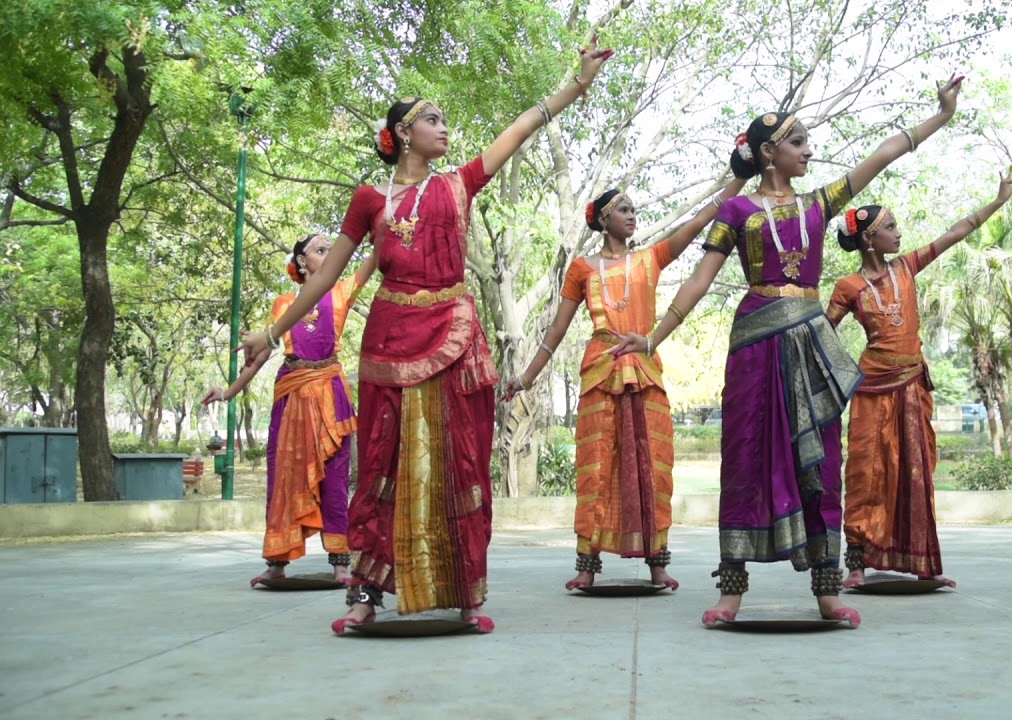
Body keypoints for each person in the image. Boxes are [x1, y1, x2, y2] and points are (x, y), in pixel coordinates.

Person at [235, 39, 614, 635]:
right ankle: (365, 595)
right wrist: (271, 332)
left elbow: (519, 131)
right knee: (382, 463)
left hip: (453, 333)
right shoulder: (368, 200)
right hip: (388, 339)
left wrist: (579, 84)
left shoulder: (458, 184)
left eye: (442, 119)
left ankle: (465, 595)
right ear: (403, 133)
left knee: (459, 461)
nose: (444, 128)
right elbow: (328, 277)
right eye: (432, 120)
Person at [610, 76, 965, 627]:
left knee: (819, 460)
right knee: (746, 454)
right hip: (754, 340)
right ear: (770, 151)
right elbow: (699, 280)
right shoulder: (736, 213)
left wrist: (940, 116)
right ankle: (732, 590)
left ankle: (826, 592)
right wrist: (654, 338)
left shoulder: (822, 204)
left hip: (809, 341)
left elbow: (885, 154)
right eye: (799, 142)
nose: (809, 151)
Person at [503, 177, 746, 591]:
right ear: (603, 219)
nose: (633, 216)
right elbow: (556, 331)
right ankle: (586, 566)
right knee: (595, 468)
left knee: (651, 467)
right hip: (600, 370)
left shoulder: (653, 257)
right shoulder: (581, 269)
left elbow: (698, 220)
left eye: (635, 209)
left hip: (644, 370)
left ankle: (657, 565)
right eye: (624, 209)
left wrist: (738, 177)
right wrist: (526, 377)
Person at [826, 169, 1012, 588]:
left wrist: (999, 200)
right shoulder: (847, 286)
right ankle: (857, 563)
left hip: (912, 383)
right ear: (868, 238)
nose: (899, 234)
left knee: (914, 469)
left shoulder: (907, 267)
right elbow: (822, 335)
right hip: (871, 387)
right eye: (890, 228)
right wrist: (840, 378)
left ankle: (921, 562)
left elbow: (958, 232)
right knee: (866, 471)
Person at [203, 234, 377, 586]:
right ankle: (277, 562)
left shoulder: (341, 292)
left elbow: (373, 259)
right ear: (300, 261)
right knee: (283, 477)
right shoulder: (283, 305)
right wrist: (228, 392)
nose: (330, 254)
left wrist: (382, 225)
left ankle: (341, 565)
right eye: (321, 250)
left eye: (332, 249)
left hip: (331, 397)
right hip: (292, 397)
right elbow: (260, 356)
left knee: (336, 477)